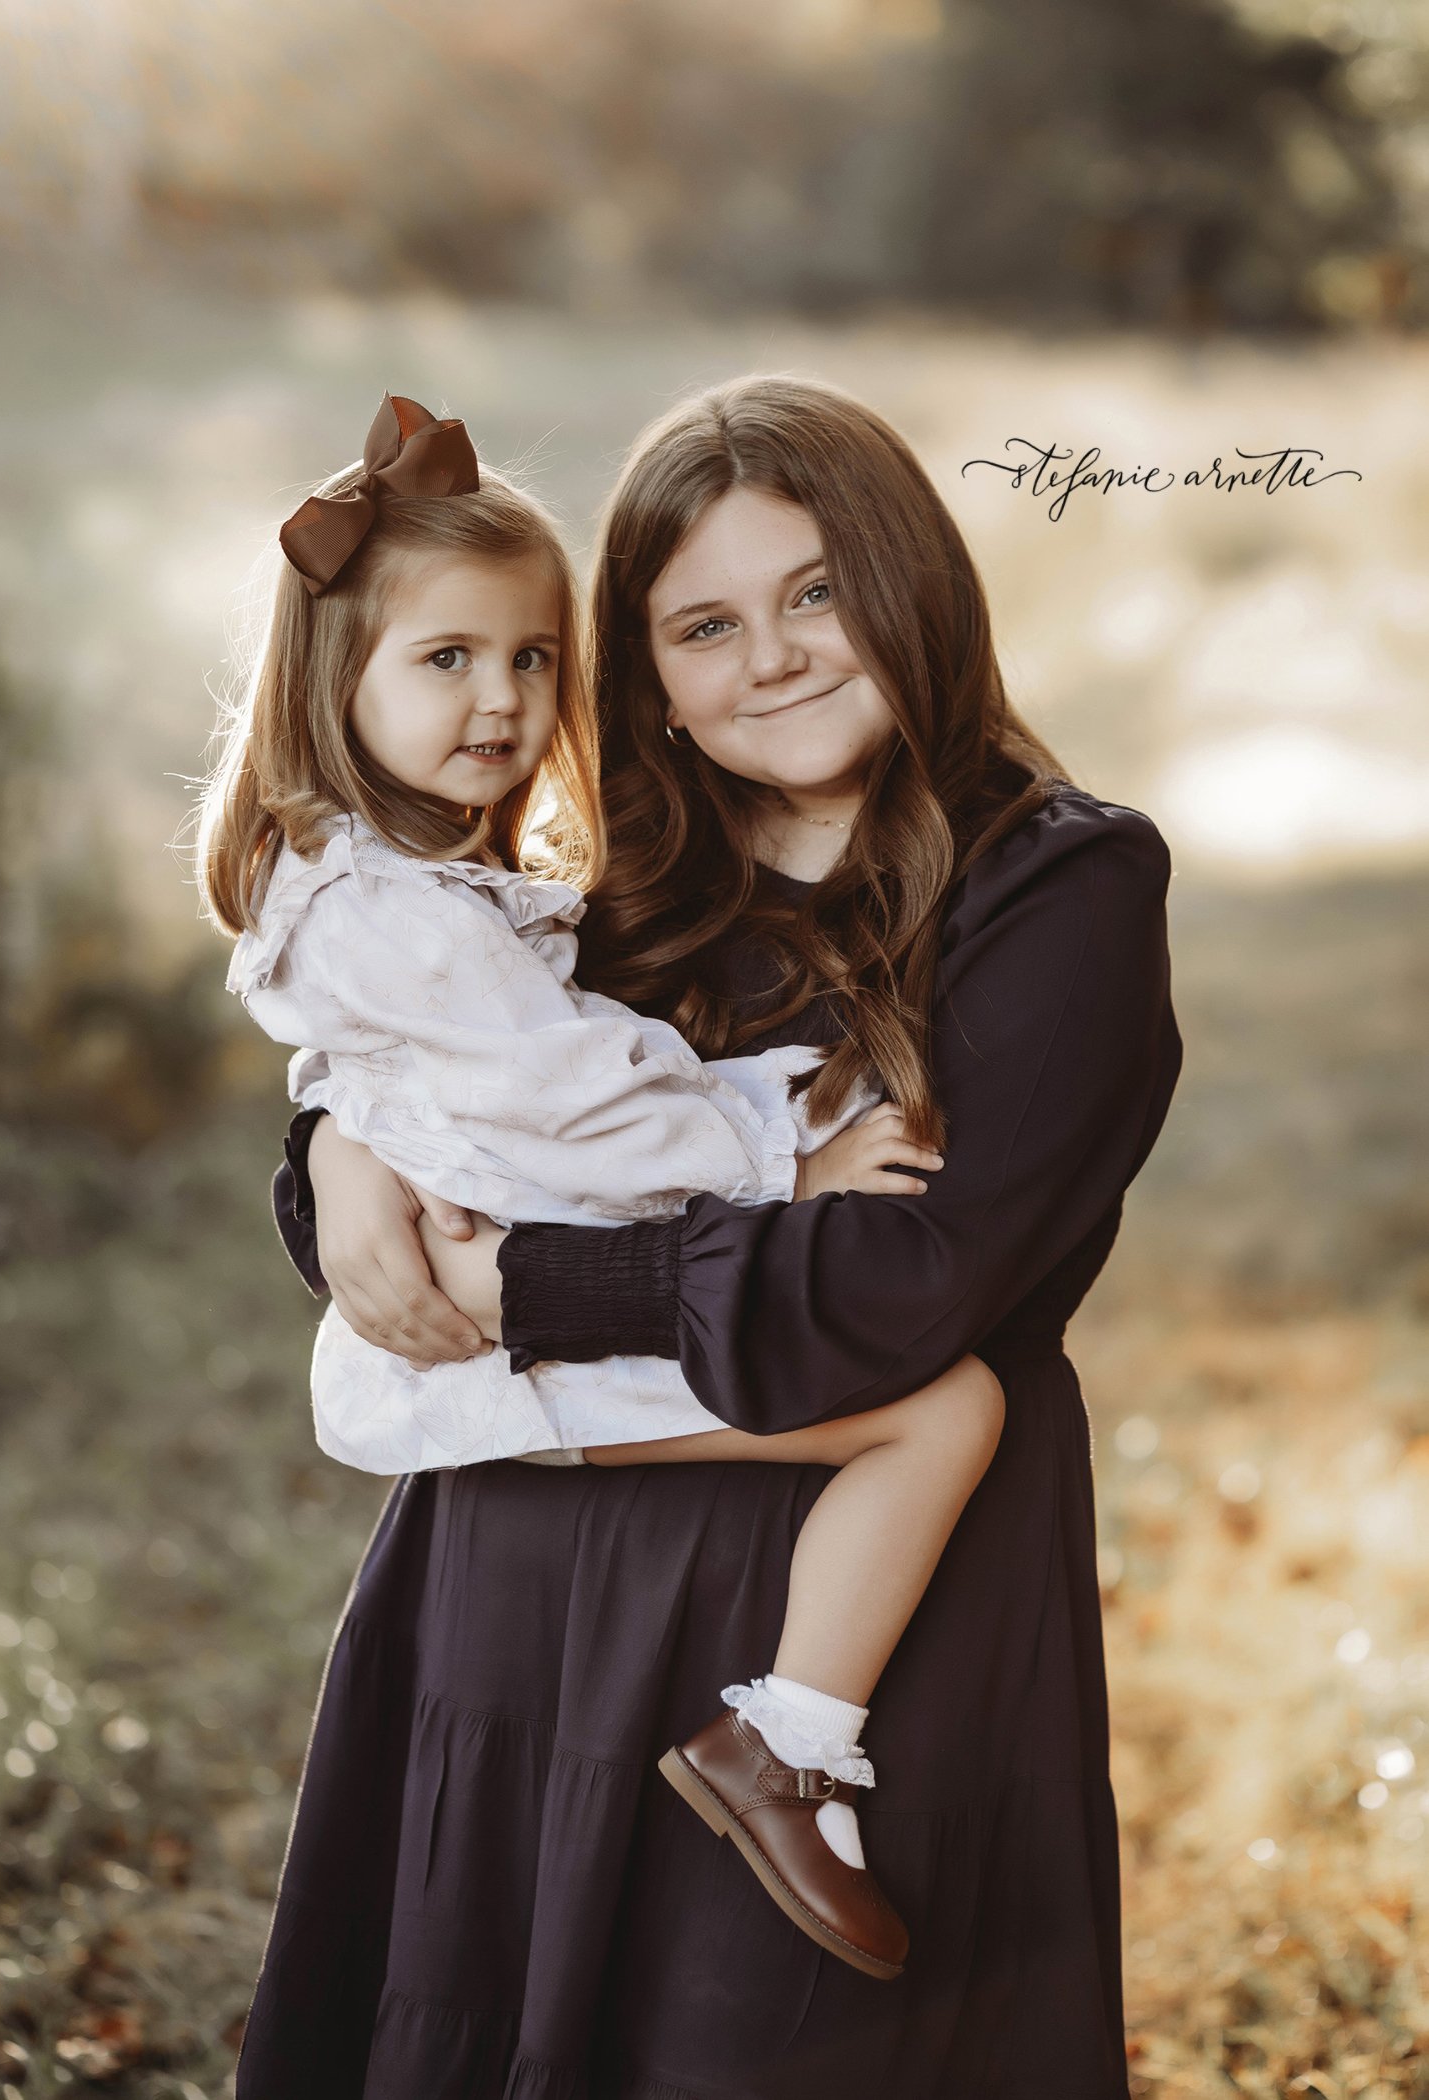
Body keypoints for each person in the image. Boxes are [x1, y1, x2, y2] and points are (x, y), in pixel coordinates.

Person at [235, 376, 1183, 2100]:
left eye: (817, 591)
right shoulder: (613, 898)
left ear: (914, 587)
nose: (774, 657)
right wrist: (334, 1161)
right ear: (646, 670)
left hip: (862, 1618)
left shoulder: (1057, 888)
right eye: (703, 624)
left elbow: (914, 1284)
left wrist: (527, 1286)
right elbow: (443, 1104)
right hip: (530, 1595)